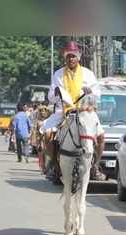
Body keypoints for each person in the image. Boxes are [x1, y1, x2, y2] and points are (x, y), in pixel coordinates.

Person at [43, 41, 106, 181]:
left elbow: (97, 95)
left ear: (78, 58)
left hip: (84, 111)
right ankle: (54, 165)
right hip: (64, 112)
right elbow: (50, 97)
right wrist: (57, 94)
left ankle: (95, 166)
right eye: (68, 56)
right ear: (65, 58)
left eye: (73, 56)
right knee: (47, 135)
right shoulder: (58, 74)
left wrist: (90, 93)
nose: (71, 59)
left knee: (101, 137)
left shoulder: (88, 74)